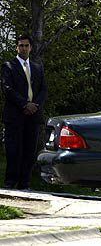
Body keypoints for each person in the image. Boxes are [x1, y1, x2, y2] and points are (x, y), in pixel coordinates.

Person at [1, 35, 47, 190]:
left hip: (33, 116)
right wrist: (25, 105)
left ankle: (25, 184)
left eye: (26, 46)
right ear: (16, 47)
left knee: (29, 150)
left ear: (31, 47)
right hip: (15, 115)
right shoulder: (8, 66)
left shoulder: (37, 67)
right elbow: (7, 89)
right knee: (14, 150)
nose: (24, 48)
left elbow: (43, 90)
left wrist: (35, 105)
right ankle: (10, 183)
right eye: (21, 45)